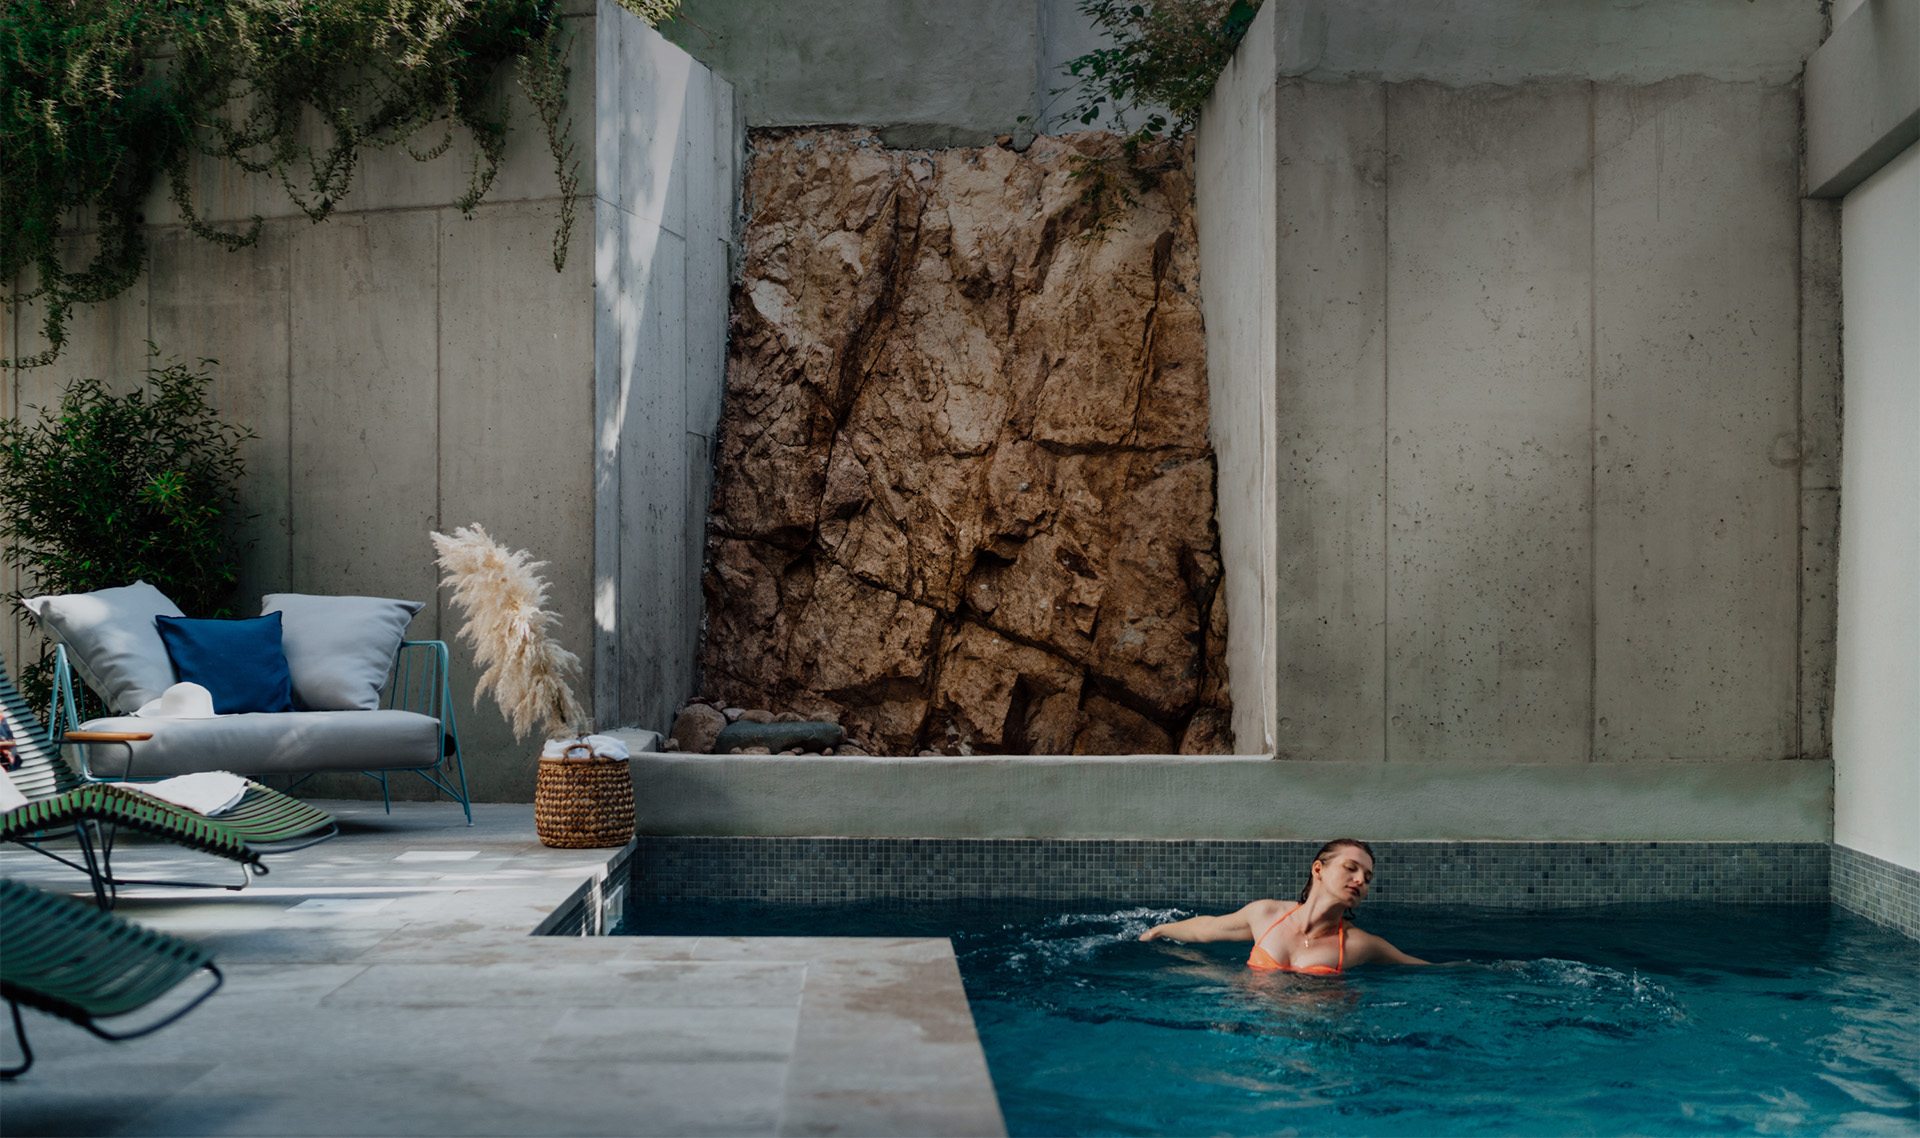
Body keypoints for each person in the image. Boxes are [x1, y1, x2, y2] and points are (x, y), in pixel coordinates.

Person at [1137, 838, 1428, 971]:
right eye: (1350, 868)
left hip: (1314, 1038)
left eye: (1367, 877)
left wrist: (1469, 969)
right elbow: (1208, 927)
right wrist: (1161, 930)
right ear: (1318, 869)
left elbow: (1421, 967)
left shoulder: (1360, 945)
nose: (1360, 880)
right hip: (1247, 1020)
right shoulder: (1266, 914)